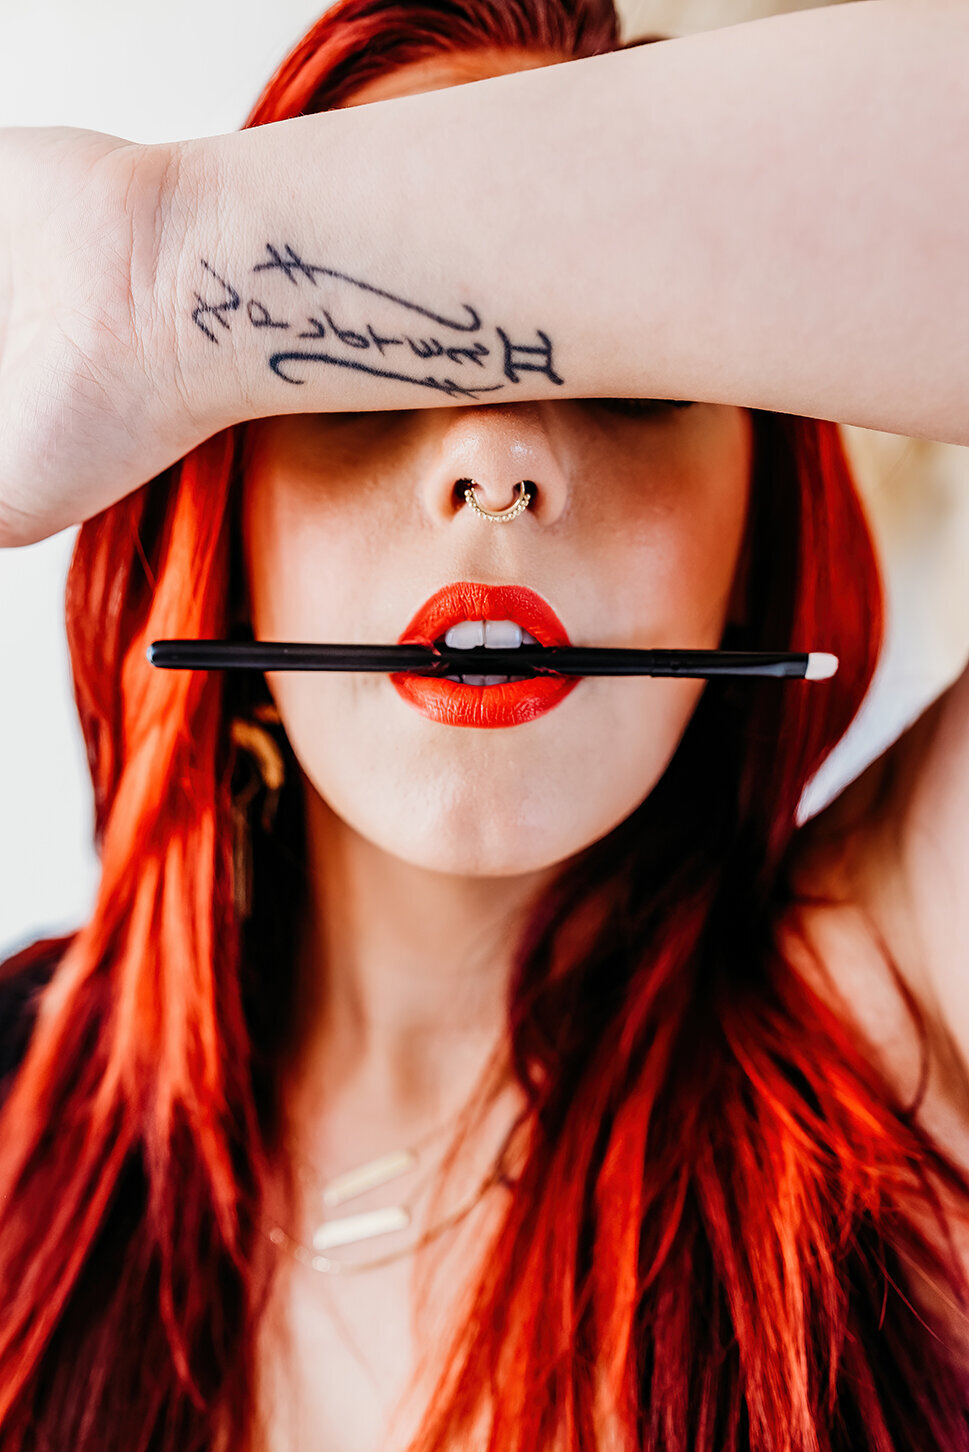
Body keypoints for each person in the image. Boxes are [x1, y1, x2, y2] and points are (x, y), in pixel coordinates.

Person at [0, 0, 968, 1448]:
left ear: (757, 530)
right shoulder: (17, 1107)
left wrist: (152, 273)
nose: (495, 459)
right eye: (341, 368)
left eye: (632, 379)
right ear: (222, 505)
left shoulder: (888, 1054)